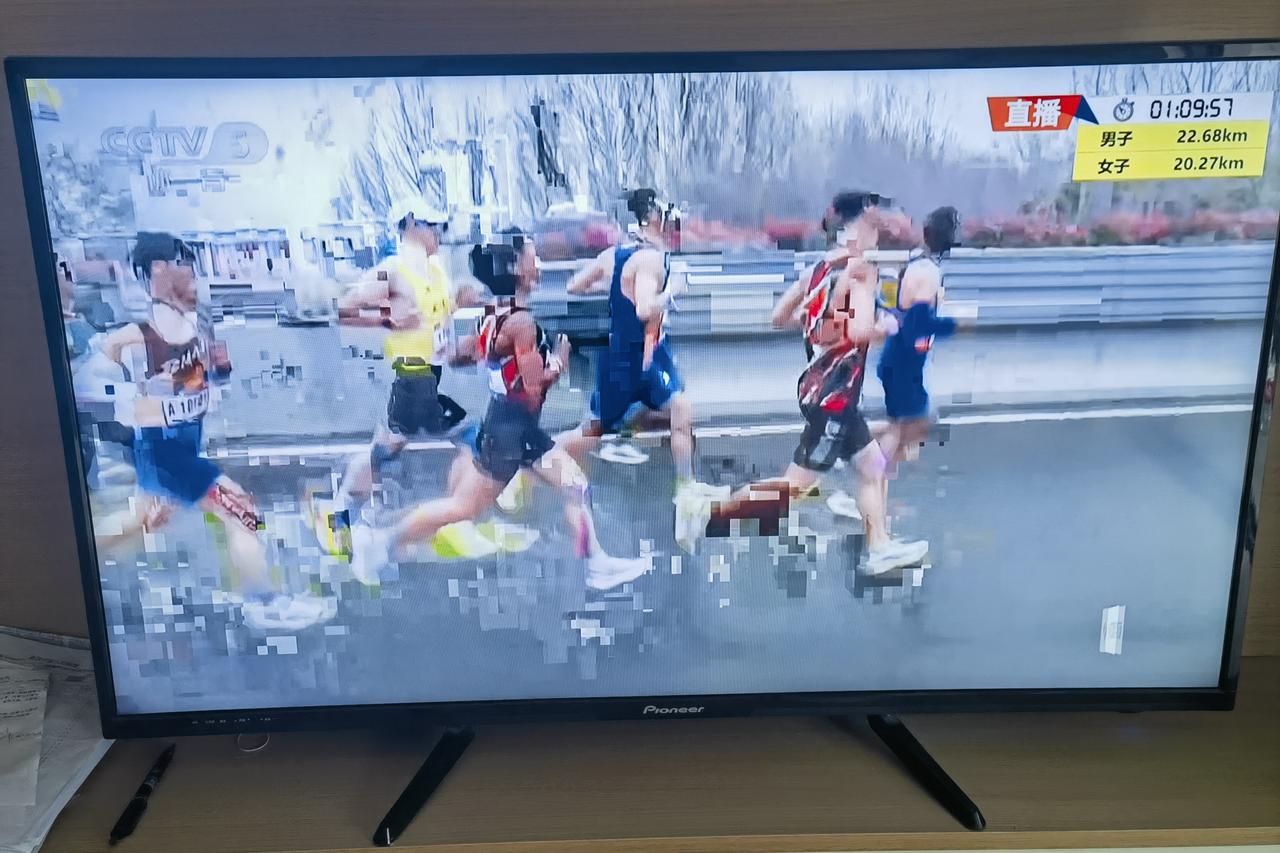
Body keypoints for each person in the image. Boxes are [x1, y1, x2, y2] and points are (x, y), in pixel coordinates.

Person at [349, 232, 652, 592]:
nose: (538, 265)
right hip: (510, 434)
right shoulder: (521, 324)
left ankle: (596, 563)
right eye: (532, 258)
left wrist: (461, 342)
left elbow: (461, 357)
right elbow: (534, 387)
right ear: (515, 268)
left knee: (575, 486)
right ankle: (383, 543)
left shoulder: (493, 314)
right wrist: (559, 360)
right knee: (463, 507)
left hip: (514, 428)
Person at [76, 232, 333, 630]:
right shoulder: (132, 340)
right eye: (186, 265)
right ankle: (264, 602)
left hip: (179, 452)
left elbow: (208, 381)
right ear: (159, 270)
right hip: (165, 456)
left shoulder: (195, 327)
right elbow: (85, 390)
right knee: (241, 510)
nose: (195, 275)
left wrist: (215, 373)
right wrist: (135, 402)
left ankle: (72, 557)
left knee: (136, 524)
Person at [705, 192, 930, 575]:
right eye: (879, 219)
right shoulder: (861, 269)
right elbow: (859, 331)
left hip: (823, 390)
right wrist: (888, 326)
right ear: (864, 220)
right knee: (795, 487)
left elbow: (779, 317)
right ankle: (712, 513)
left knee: (872, 467)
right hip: (834, 396)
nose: (886, 227)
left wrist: (821, 325)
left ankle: (879, 547)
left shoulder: (819, 268)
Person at [554, 188, 717, 548]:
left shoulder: (615, 255)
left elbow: (574, 286)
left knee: (680, 409)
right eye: (665, 213)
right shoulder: (649, 261)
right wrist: (671, 292)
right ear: (651, 219)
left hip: (646, 354)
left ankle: (686, 490)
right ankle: (537, 457)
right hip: (631, 359)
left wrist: (616, 288)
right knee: (592, 431)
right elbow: (645, 309)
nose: (672, 220)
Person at [324, 200, 467, 540]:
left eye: (442, 226)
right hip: (410, 377)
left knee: (385, 449)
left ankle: (342, 517)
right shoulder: (391, 271)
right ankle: (459, 516)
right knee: (471, 436)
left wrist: (458, 309)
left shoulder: (436, 269)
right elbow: (342, 310)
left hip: (431, 374)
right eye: (433, 226)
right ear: (411, 225)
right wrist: (387, 319)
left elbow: (436, 317)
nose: (439, 233)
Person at [875, 206, 965, 470]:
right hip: (903, 364)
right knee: (909, 429)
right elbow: (918, 324)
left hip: (901, 361)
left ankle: (865, 463)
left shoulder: (919, 263)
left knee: (903, 430)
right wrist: (955, 324)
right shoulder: (927, 272)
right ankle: (863, 461)